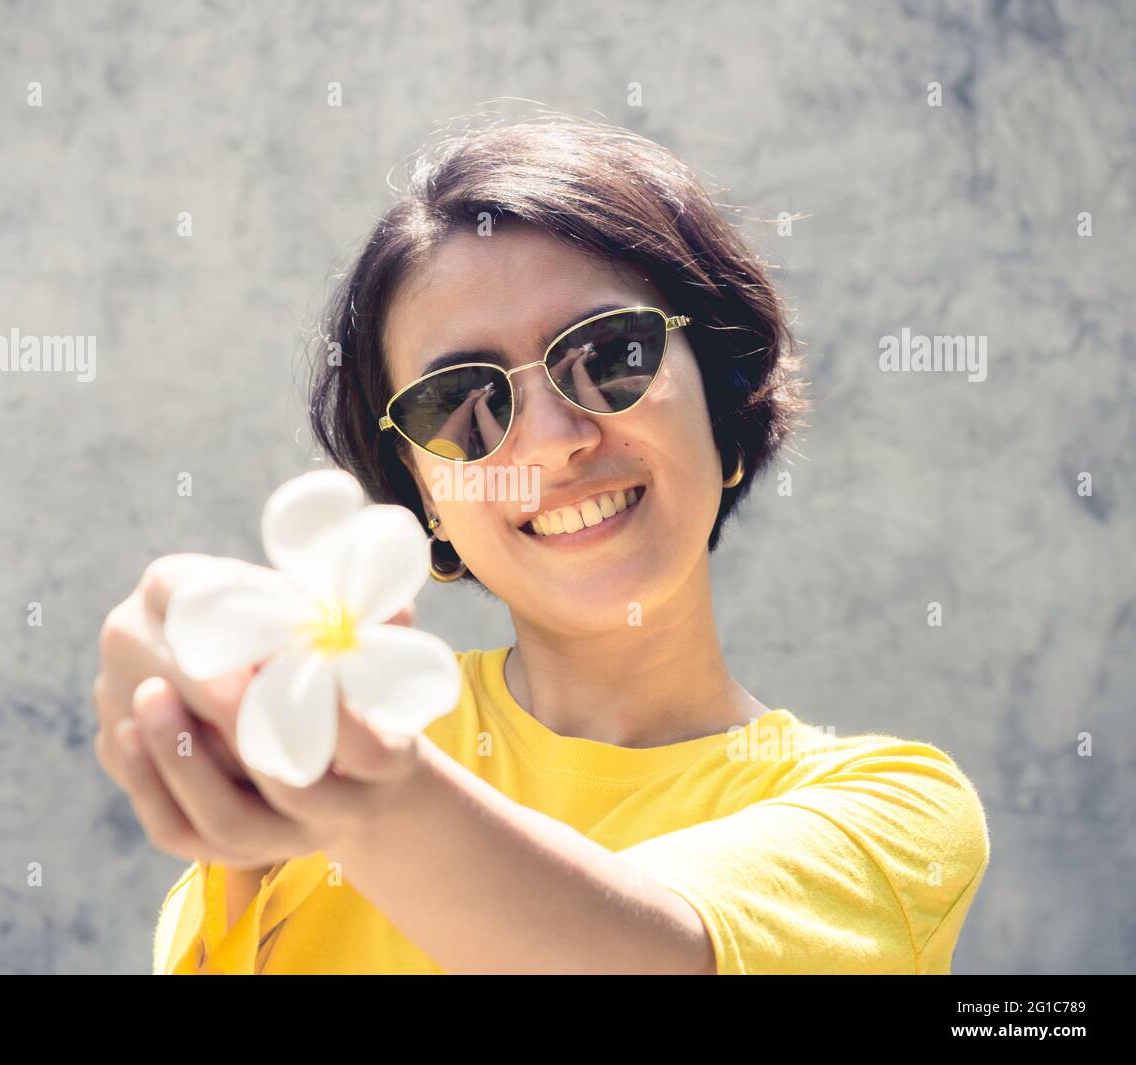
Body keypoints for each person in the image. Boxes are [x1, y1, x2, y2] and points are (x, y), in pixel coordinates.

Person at [93, 113, 990, 974]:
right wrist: (213, 712)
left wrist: (357, 796)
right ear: (423, 500)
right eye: (463, 403)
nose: (555, 440)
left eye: (611, 353)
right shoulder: (302, 742)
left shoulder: (898, 814)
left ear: (721, 401)